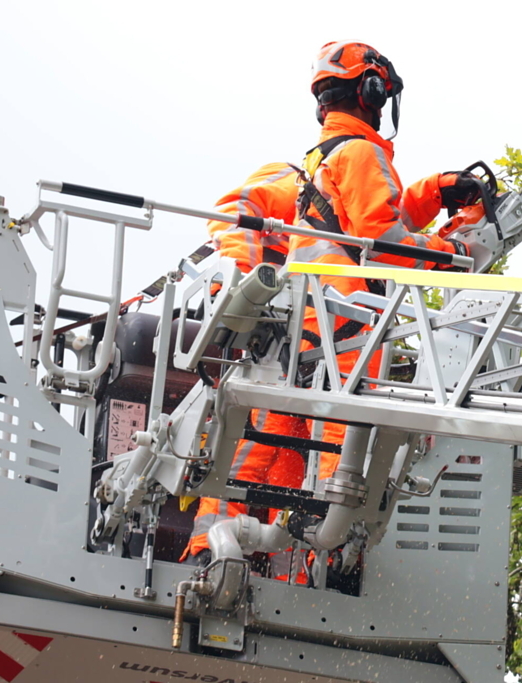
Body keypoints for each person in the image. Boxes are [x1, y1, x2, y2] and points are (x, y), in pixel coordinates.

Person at [180, 40, 478, 572]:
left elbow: (368, 217)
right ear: (371, 92)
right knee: (335, 463)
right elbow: (386, 240)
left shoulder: (328, 162)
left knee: (267, 454)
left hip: (306, 336)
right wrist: (451, 252)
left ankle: (220, 553)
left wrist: (435, 193)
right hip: (345, 330)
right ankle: (310, 567)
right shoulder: (355, 156)